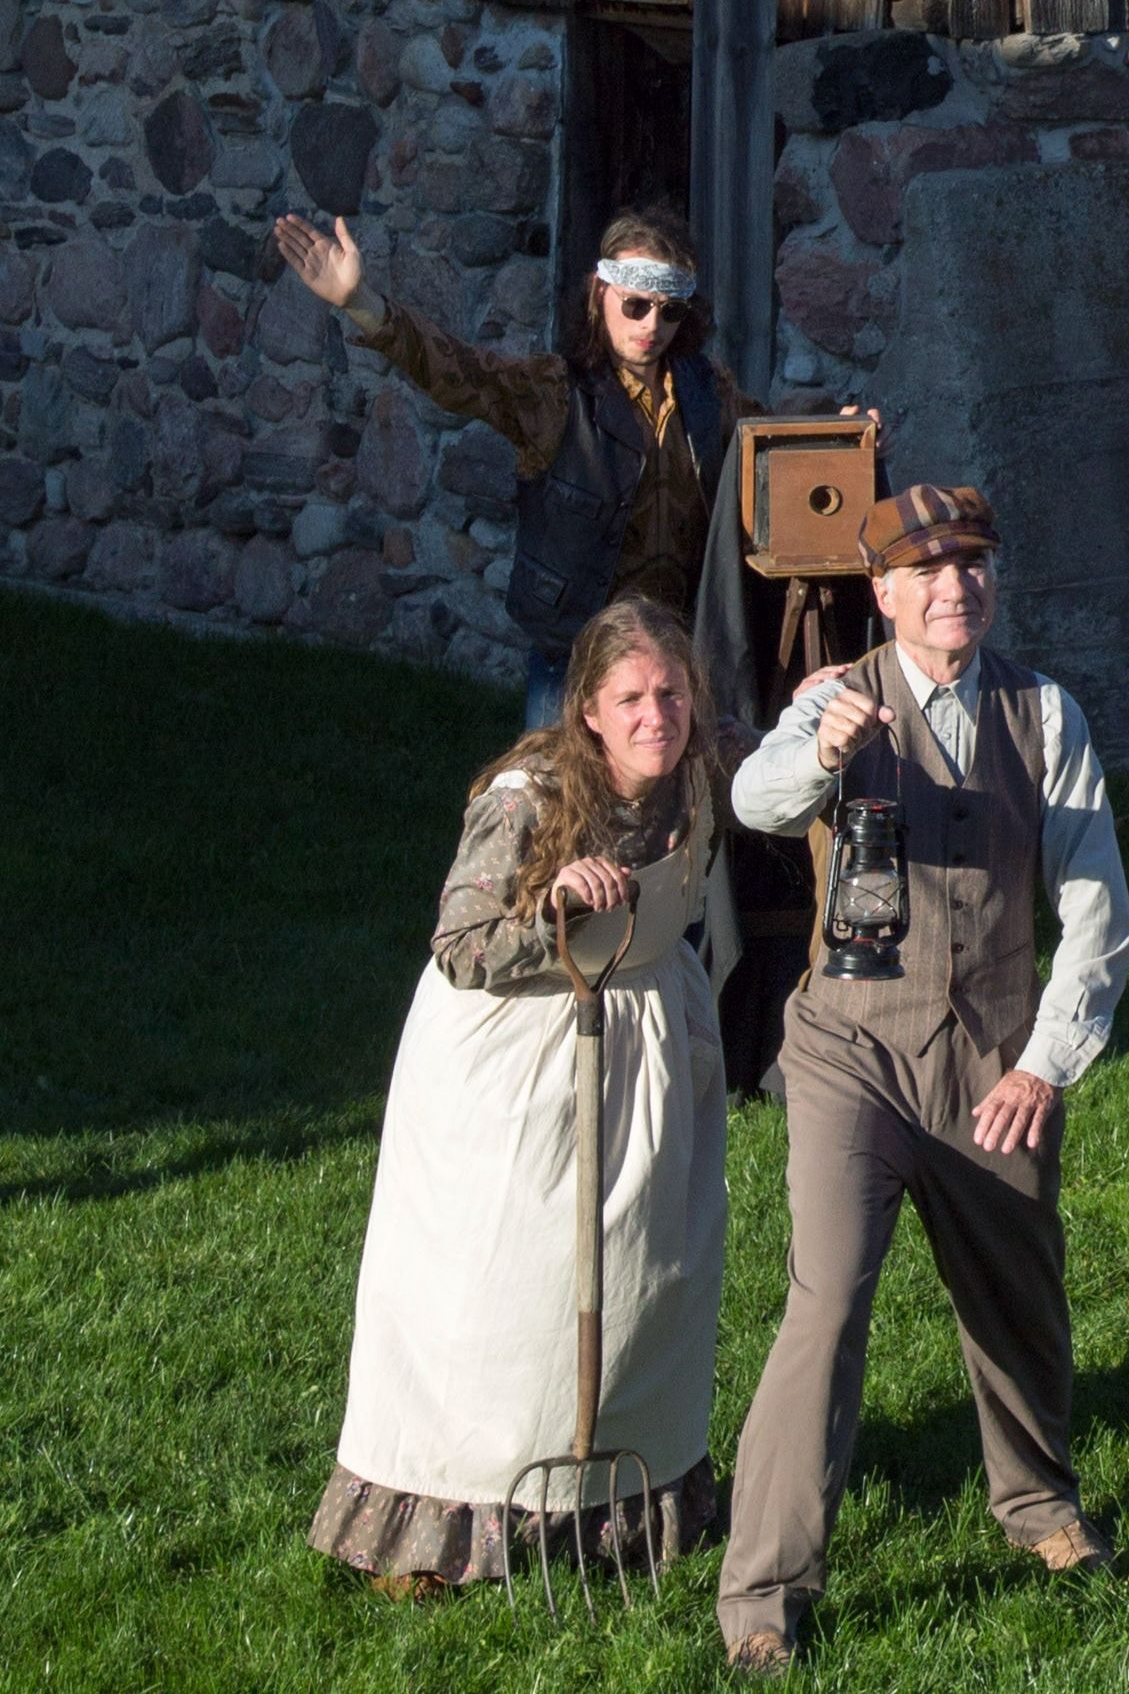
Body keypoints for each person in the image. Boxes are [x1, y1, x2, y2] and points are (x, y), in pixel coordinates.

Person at [715, 484, 1129, 1673]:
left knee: (1016, 1293)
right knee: (828, 1301)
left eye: (974, 565)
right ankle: (764, 1591)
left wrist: (1044, 1065)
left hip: (994, 1054)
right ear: (884, 593)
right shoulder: (835, 699)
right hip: (849, 1051)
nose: (957, 587)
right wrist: (820, 747)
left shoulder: (1044, 712)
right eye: (930, 572)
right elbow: (754, 801)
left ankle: (1039, 1504)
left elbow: (1096, 905)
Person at [312, 598, 731, 1594]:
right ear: (587, 709)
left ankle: (612, 1511)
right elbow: (460, 947)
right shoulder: (526, 800)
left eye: (671, 692)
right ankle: (440, 1529)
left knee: (641, 1285)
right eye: (630, 698)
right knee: (499, 1297)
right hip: (517, 1063)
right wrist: (558, 910)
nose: (655, 715)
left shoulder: (698, 769)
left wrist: (823, 712)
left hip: (644, 1047)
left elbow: (774, 761)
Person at [274, 201, 747, 736]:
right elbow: (460, 373)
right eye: (635, 305)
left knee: (671, 790)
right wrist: (362, 302)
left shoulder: (710, 396)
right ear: (600, 294)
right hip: (576, 657)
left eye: (670, 311)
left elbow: (772, 446)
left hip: (670, 663)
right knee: (554, 790)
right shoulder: (554, 393)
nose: (651, 325)